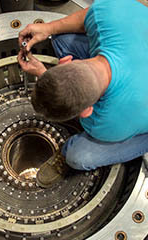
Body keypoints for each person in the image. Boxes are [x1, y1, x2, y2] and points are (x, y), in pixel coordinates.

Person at [17, 0, 148, 188]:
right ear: (68, 61)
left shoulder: (107, 123)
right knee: (60, 39)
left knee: (78, 155)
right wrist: (47, 28)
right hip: (139, 48)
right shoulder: (108, 12)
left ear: (87, 111)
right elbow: (89, 16)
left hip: (137, 112)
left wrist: (43, 73)